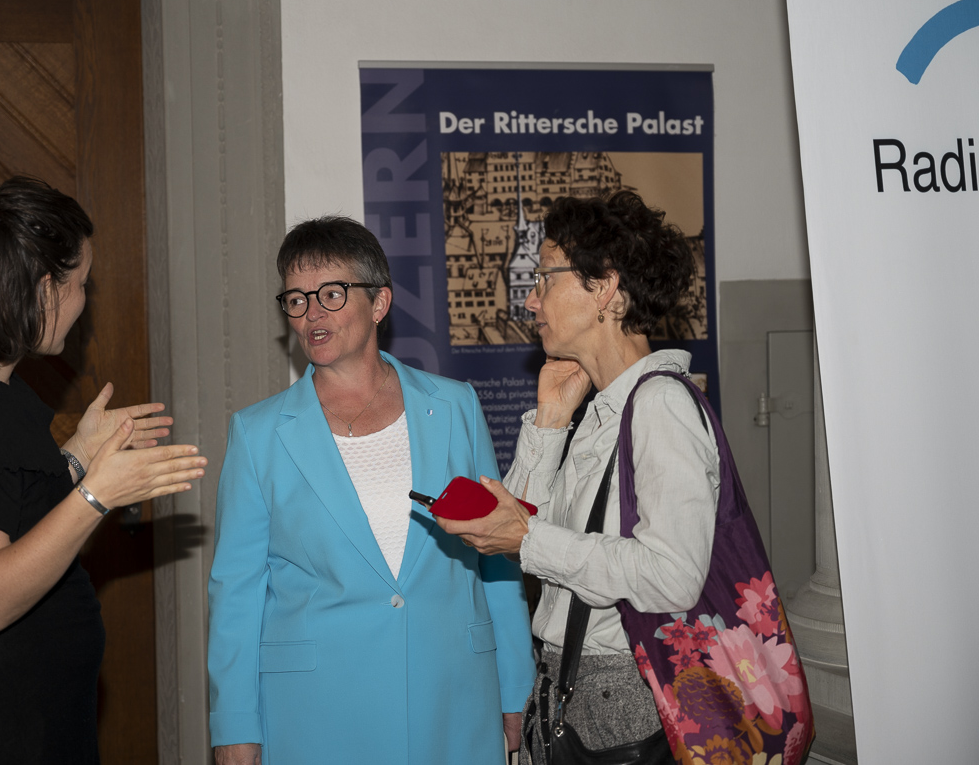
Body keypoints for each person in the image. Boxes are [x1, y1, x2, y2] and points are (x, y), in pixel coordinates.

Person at [0, 176, 207, 764]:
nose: (84, 303)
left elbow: (6, 513)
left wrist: (75, 459)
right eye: (82, 285)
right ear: (45, 289)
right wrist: (96, 495)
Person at [206, 216, 535, 765]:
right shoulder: (257, 434)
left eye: (331, 294)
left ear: (379, 302)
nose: (311, 314)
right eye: (296, 299)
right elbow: (236, 593)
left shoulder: (455, 405)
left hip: (453, 700)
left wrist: (516, 683)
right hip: (317, 713)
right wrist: (234, 725)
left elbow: (496, 553)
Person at [436, 191, 717, 763]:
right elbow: (515, 532)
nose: (531, 300)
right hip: (573, 689)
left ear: (604, 288)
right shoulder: (606, 408)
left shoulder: (659, 404)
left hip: (623, 704)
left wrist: (530, 539)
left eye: (544, 278)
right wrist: (550, 419)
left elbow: (672, 577)